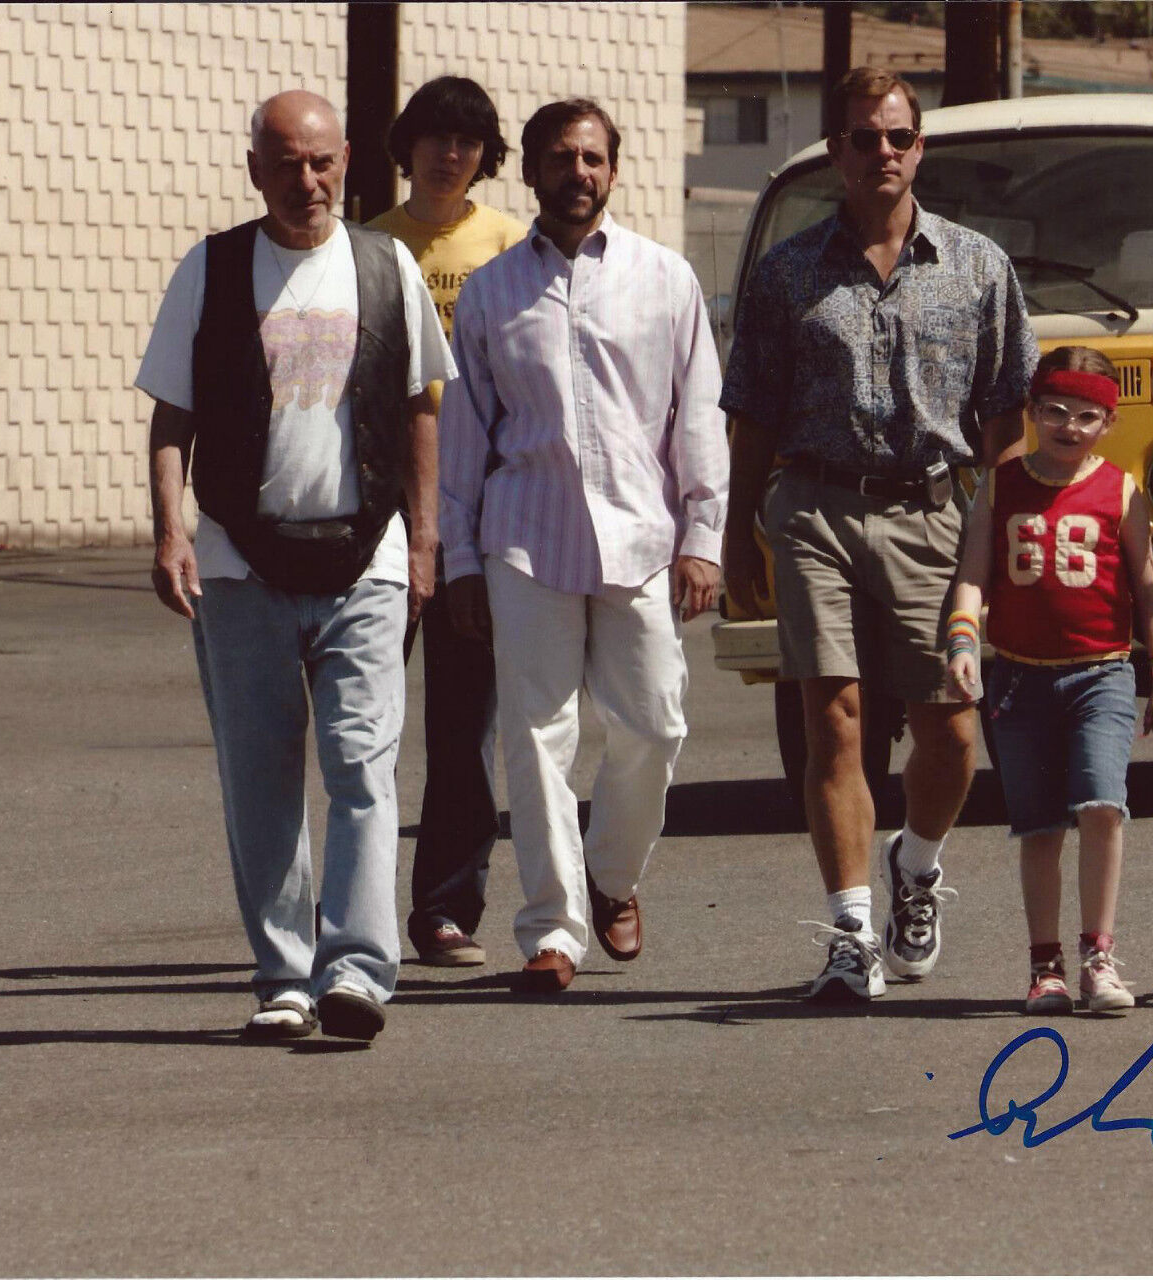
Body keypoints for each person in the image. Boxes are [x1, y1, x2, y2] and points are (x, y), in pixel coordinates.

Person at [137, 90, 455, 1041]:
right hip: (241, 561)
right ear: (254, 169)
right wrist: (169, 531)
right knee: (263, 777)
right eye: (285, 164)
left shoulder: (386, 262)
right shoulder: (215, 267)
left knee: (363, 767)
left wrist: (425, 538)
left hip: (367, 558)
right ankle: (283, 975)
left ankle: (357, 974)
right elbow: (171, 419)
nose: (305, 182)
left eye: (321, 163)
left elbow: (420, 408)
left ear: (348, 161)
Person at [721, 66, 1037, 1001]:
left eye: (899, 137)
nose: (883, 153)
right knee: (835, 723)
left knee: (951, 728)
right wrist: (740, 531)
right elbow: (754, 415)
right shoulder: (789, 272)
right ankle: (851, 934)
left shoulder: (978, 266)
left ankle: (919, 865)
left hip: (935, 514)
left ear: (920, 148)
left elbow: (1007, 415)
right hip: (815, 510)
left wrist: (1003, 532)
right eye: (864, 138)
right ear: (837, 152)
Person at [439, 98, 727, 993]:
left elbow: (697, 416)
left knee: (655, 723)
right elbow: (464, 435)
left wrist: (704, 533)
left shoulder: (665, 278)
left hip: (642, 535)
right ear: (530, 171)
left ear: (614, 168)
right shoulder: (491, 291)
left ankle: (611, 874)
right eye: (561, 158)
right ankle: (553, 929)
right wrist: (457, 561)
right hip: (524, 538)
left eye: (594, 158)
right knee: (535, 739)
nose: (579, 173)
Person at [947, 347, 1153, 1015]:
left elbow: (1148, 588)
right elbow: (972, 573)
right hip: (1018, 682)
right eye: (1054, 411)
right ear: (1032, 413)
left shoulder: (1122, 490)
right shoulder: (1001, 485)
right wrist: (964, 640)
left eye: (1087, 416)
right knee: (1040, 826)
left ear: (1107, 423)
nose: (1069, 427)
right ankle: (1044, 966)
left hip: (1101, 674)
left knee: (1103, 805)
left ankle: (1099, 958)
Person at [369, 76, 527, 968]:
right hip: (379, 508)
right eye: (435, 136)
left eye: (467, 140)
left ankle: (443, 910)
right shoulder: (370, 247)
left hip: (474, 505)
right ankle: (350, 911)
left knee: (465, 722)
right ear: (408, 145)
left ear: (484, 155)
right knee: (368, 715)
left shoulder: (508, 245)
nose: (450, 153)